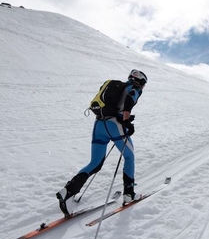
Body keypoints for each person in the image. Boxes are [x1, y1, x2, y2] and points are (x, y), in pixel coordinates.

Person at [56, 69, 148, 215]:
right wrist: (126, 121)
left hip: (99, 125)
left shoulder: (117, 87)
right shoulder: (134, 88)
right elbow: (130, 99)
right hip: (115, 126)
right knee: (129, 157)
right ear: (141, 82)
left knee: (95, 163)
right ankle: (129, 194)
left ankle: (68, 191)